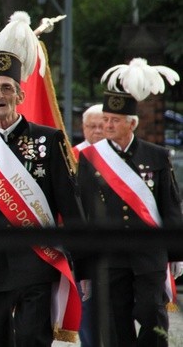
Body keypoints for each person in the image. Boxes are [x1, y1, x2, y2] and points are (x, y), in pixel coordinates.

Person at [0, 11, 86, 346]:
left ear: (19, 95)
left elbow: (70, 206)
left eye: (7, 89)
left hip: (35, 264)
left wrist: (85, 263)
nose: (0, 96)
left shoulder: (48, 140)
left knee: (31, 340)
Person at [77, 57, 182, 347]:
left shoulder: (156, 155)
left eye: (114, 121)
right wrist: (83, 264)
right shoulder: (90, 159)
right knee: (114, 320)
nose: (107, 125)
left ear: (131, 123)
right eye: (105, 120)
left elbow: (169, 205)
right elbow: (84, 212)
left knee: (152, 312)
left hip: (148, 252)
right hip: (109, 254)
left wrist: (176, 252)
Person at [70, 103, 103, 347]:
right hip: (84, 240)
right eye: (92, 126)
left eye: (102, 126)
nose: (98, 131)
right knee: (87, 301)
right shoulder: (73, 156)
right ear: (83, 128)